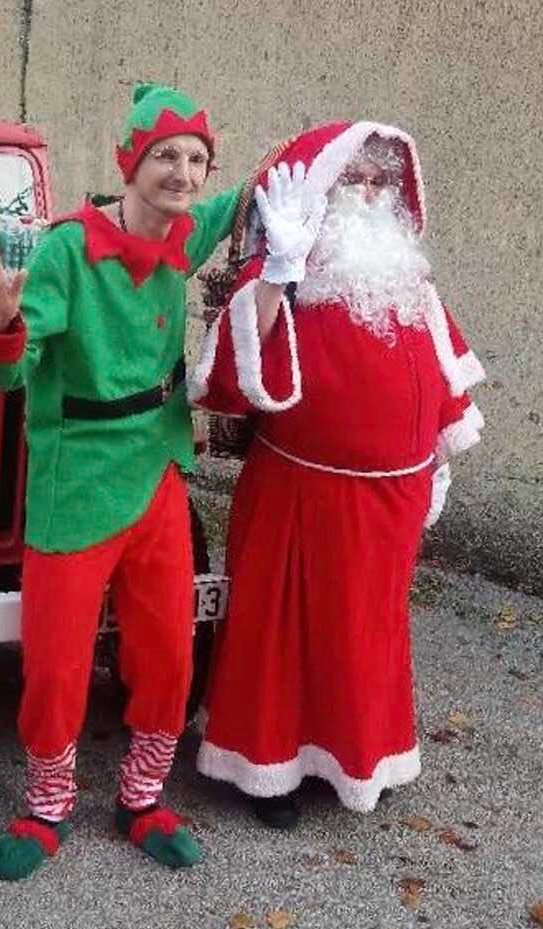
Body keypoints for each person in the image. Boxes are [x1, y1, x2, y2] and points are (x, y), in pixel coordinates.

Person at [0, 83, 245, 879]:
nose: (183, 173)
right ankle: (47, 804)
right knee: (55, 660)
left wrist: (325, 155)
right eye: (165, 156)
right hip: (77, 478)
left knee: (168, 651)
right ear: (130, 161)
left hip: (157, 471)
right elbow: (9, 376)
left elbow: (241, 204)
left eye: (195, 159)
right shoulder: (65, 250)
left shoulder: (183, 238)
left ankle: (143, 795)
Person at [189, 121, 485, 828]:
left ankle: (356, 758)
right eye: (352, 179)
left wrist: (437, 466)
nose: (369, 192)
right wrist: (278, 271)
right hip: (301, 500)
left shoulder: (414, 290)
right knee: (284, 641)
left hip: (391, 509)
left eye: (380, 180)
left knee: (365, 638)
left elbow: (443, 385)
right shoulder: (285, 286)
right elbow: (228, 382)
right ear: (319, 192)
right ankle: (267, 771)